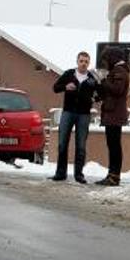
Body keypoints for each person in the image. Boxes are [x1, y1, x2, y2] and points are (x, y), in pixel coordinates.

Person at [50, 51, 99, 183]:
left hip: (84, 114)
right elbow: (55, 88)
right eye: (81, 61)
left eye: (86, 62)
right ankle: (60, 173)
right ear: (77, 62)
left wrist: (94, 97)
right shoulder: (69, 74)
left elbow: (99, 94)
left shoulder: (92, 78)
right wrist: (65, 86)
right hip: (68, 112)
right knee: (62, 143)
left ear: (89, 63)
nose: (83, 64)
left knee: (81, 145)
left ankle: (79, 174)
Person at [95, 46, 130, 186]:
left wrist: (103, 80)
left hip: (114, 114)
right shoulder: (117, 71)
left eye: (106, 59)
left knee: (114, 146)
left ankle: (114, 176)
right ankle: (112, 175)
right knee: (113, 145)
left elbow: (117, 90)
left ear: (113, 57)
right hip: (112, 113)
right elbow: (110, 92)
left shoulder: (120, 71)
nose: (106, 62)